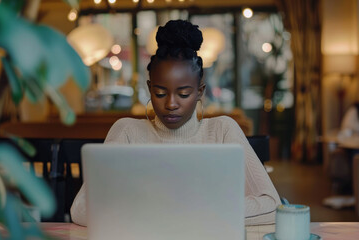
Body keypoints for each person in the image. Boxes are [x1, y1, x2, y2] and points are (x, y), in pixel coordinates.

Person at [70, 19, 281, 226]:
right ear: (150, 89)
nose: (171, 104)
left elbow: (272, 205)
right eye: (160, 93)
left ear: (200, 92)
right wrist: (199, 211)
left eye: (184, 93)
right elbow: (80, 209)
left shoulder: (223, 131)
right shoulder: (126, 132)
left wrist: (176, 211)